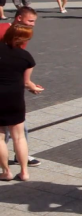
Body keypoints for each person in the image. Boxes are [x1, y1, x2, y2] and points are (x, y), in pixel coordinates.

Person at [0, 24, 43, 182]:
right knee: (19, 137)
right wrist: (34, 88)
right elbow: (26, 82)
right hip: (15, 97)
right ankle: (24, 171)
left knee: (0, 136)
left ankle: (6, 171)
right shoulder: (26, 57)